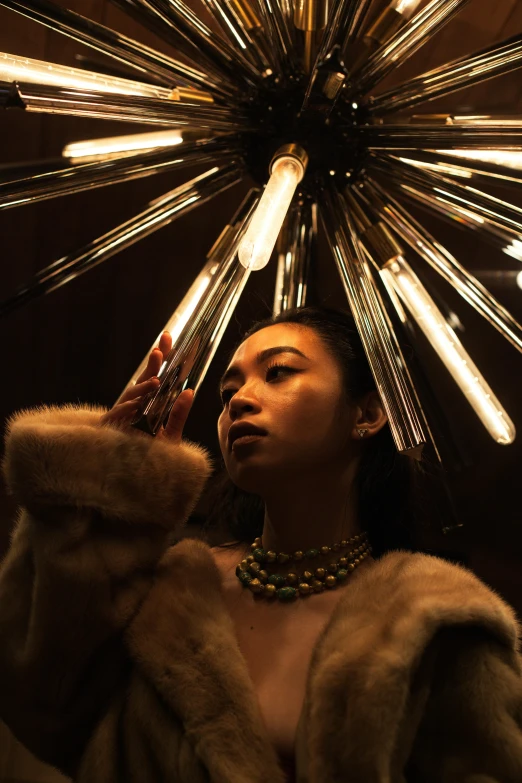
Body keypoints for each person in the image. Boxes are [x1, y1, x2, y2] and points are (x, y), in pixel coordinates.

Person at [0, 304, 521, 783]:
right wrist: (104, 490)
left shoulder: (432, 618)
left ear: (366, 415)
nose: (241, 401)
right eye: (228, 394)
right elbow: (41, 702)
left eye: (279, 373)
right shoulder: (169, 594)